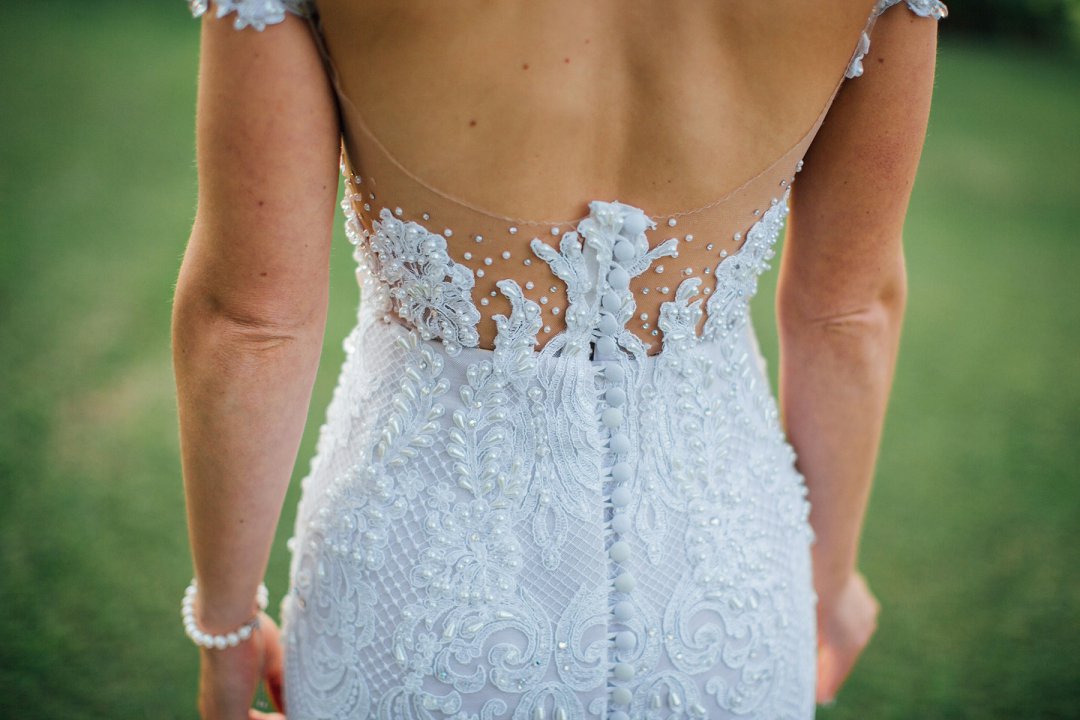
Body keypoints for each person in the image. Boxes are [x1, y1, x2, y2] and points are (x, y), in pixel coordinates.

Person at [172, 0, 947, 718]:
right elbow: (849, 314)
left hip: (420, 600)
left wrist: (226, 629)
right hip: (729, 594)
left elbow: (250, 324)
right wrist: (831, 578)